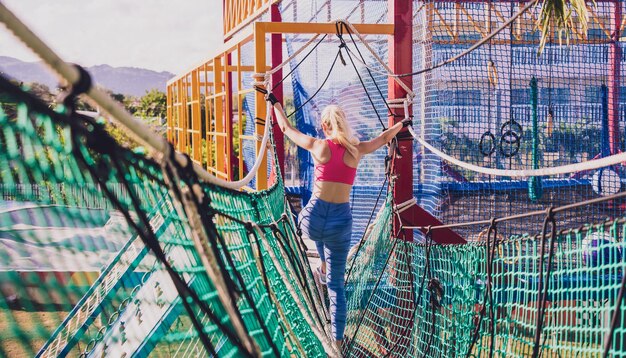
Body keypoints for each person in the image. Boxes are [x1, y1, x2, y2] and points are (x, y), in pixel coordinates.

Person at [265, 92, 410, 351]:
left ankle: (318, 261)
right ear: (343, 123)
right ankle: (338, 347)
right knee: (336, 287)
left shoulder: (319, 146)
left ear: (324, 126)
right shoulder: (357, 149)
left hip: (312, 220)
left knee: (303, 223)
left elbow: (286, 128)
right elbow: (386, 137)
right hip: (340, 223)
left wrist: (275, 103)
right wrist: (403, 123)